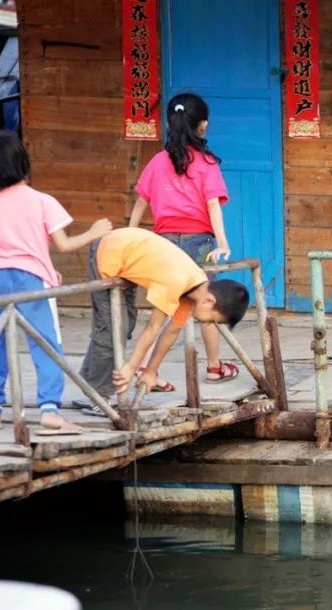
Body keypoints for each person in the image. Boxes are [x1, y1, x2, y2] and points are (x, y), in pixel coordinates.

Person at [0, 130, 112, 432]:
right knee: (46, 343)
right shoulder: (41, 201)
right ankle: (49, 409)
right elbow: (62, 245)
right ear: (23, 163)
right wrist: (95, 231)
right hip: (33, 280)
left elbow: (4, 246)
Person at [128, 92, 238, 390]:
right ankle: (214, 366)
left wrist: (131, 237)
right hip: (198, 243)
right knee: (206, 305)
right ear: (202, 126)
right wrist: (222, 243)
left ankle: (146, 370)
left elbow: (140, 203)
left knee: (162, 312)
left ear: (169, 122)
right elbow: (213, 204)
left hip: (163, 247)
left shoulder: (157, 162)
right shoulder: (206, 163)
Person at [76, 227, 249, 413]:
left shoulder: (195, 287)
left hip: (129, 256)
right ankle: (99, 397)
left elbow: (171, 332)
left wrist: (151, 371)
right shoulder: (176, 282)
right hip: (110, 251)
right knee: (112, 328)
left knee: (125, 326)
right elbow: (153, 327)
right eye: (211, 320)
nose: (206, 323)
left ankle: (90, 386)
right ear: (209, 301)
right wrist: (131, 368)